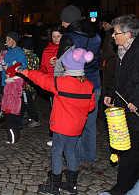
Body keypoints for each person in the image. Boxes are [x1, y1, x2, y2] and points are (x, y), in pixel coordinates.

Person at [17, 48, 96, 195]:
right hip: (77, 127)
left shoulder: (61, 82)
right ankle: (72, 185)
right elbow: (91, 107)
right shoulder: (89, 86)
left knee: (57, 152)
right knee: (70, 151)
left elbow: (41, 79)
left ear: (66, 66)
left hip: (61, 126)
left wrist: (25, 71)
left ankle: (55, 186)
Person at [60, 5, 102, 169]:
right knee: (90, 125)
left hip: (75, 86)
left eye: (63, 20)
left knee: (74, 125)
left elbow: (62, 62)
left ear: (68, 20)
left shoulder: (68, 37)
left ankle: (74, 161)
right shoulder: (96, 36)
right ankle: (88, 160)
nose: (62, 24)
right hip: (94, 85)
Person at [102, 14, 139, 195]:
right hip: (124, 107)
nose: (112, 36)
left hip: (135, 110)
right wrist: (110, 93)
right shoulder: (121, 51)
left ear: (128, 34)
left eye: (116, 33)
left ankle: (122, 187)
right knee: (127, 146)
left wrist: (138, 102)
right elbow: (117, 78)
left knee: (130, 149)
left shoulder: (137, 52)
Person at [1, 63, 27, 144]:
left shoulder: (12, 85)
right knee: (14, 123)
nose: (6, 76)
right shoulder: (14, 83)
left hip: (11, 108)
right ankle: (16, 136)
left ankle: (12, 138)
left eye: (7, 74)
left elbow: (11, 98)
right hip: (14, 108)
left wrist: (7, 108)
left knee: (10, 124)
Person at [19, 38, 41, 127]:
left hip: (27, 85)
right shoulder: (34, 57)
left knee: (28, 102)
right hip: (32, 84)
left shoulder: (27, 58)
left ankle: (35, 119)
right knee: (25, 101)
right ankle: (23, 115)